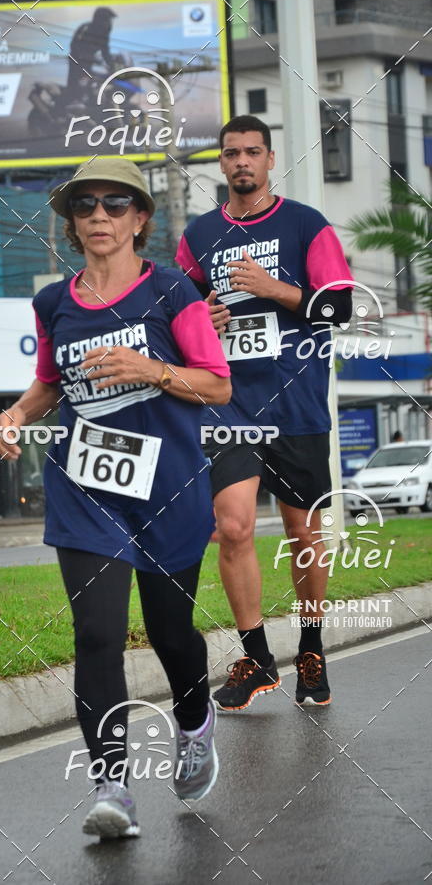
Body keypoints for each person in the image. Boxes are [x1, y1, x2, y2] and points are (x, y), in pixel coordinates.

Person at [0, 158, 231, 839]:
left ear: (140, 218)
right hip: (85, 488)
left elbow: (216, 384)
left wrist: (151, 369)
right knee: (96, 634)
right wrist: (17, 414)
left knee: (169, 632)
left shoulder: (172, 291)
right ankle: (113, 790)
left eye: (115, 203)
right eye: (85, 204)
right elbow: (50, 383)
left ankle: (194, 722)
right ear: (71, 222)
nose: (99, 215)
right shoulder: (54, 303)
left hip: (167, 486)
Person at [175, 115, 354, 711]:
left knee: (304, 532)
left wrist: (273, 287)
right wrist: (200, 318)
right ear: (221, 162)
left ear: (270, 159)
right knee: (232, 527)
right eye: (232, 153)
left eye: (253, 152)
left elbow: (340, 308)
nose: (243, 162)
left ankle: (311, 649)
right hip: (228, 405)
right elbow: (178, 317)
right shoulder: (198, 235)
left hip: (295, 402)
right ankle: (255, 657)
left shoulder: (306, 225)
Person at [66, 7, 117, 95]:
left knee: (92, 84)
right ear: (100, 19)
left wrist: (114, 66)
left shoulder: (104, 34)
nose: (109, 23)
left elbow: (105, 53)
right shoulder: (85, 28)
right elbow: (74, 46)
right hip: (76, 62)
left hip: (89, 62)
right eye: (108, 20)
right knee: (75, 87)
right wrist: (86, 57)